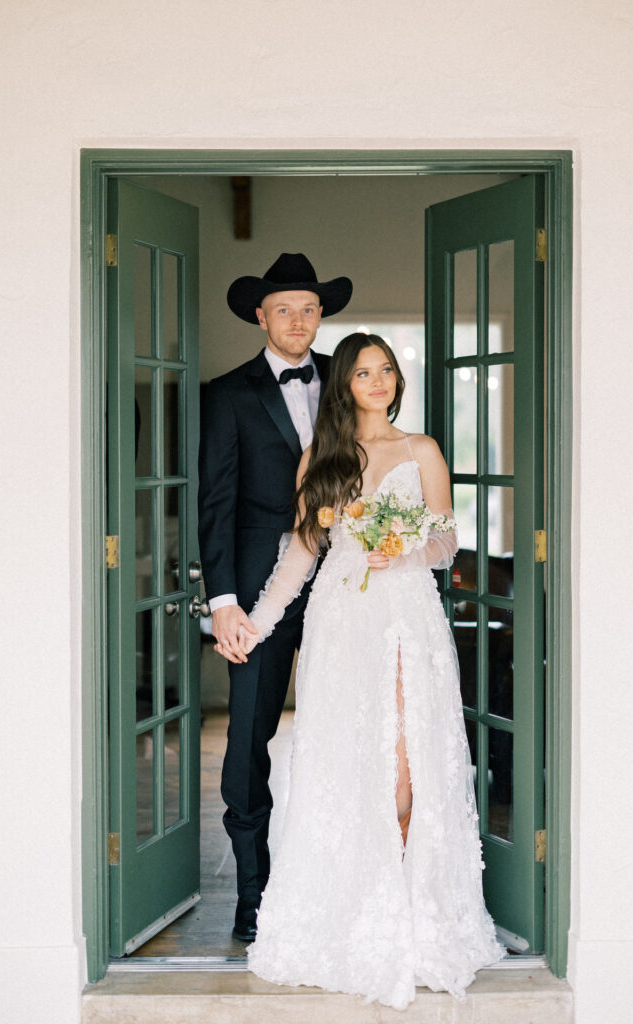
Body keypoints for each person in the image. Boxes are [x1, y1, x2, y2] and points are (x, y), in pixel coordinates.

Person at [215, 333, 505, 1009]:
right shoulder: (323, 456)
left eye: (386, 371)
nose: (378, 381)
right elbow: (300, 552)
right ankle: (356, 917)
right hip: (341, 623)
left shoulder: (421, 449)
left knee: (405, 774)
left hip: (404, 620)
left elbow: (444, 539)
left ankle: (411, 917)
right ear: (344, 383)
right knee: (349, 770)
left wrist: (402, 549)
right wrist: (255, 623)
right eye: (365, 372)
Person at [198, 253, 353, 942]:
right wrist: (223, 601)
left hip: (352, 585)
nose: (298, 320)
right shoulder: (226, 393)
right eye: (284, 309)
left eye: (309, 309)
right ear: (260, 317)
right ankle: (253, 895)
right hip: (263, 591)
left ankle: (342, 884)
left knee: (350, 733)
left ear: (323, 317)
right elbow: (216, 503)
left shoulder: (354, 387)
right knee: (247, 743)